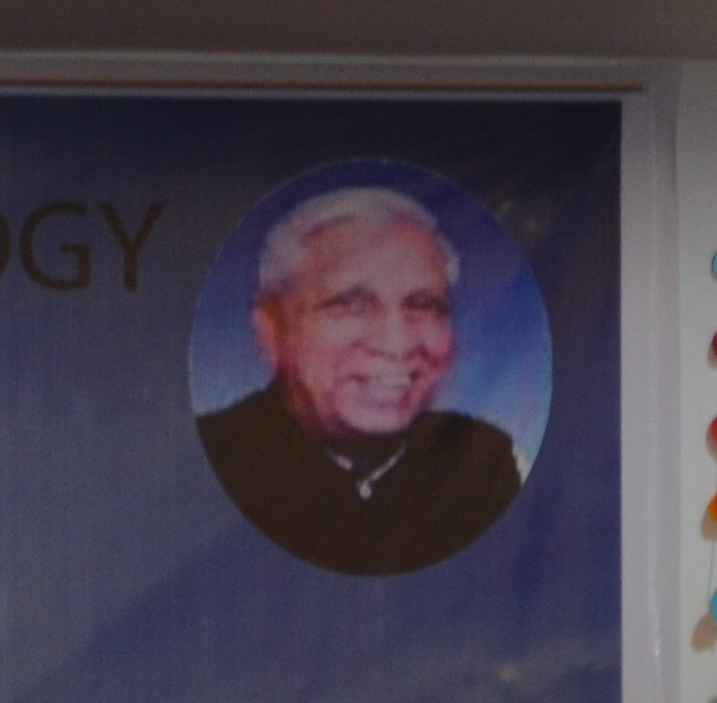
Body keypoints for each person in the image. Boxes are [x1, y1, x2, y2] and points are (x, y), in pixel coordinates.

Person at [197, 182, 529, 575]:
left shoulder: (482, 464)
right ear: (272, 329)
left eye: (423, 306)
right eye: (352, 305)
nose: (397, 344)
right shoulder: (212, 459)